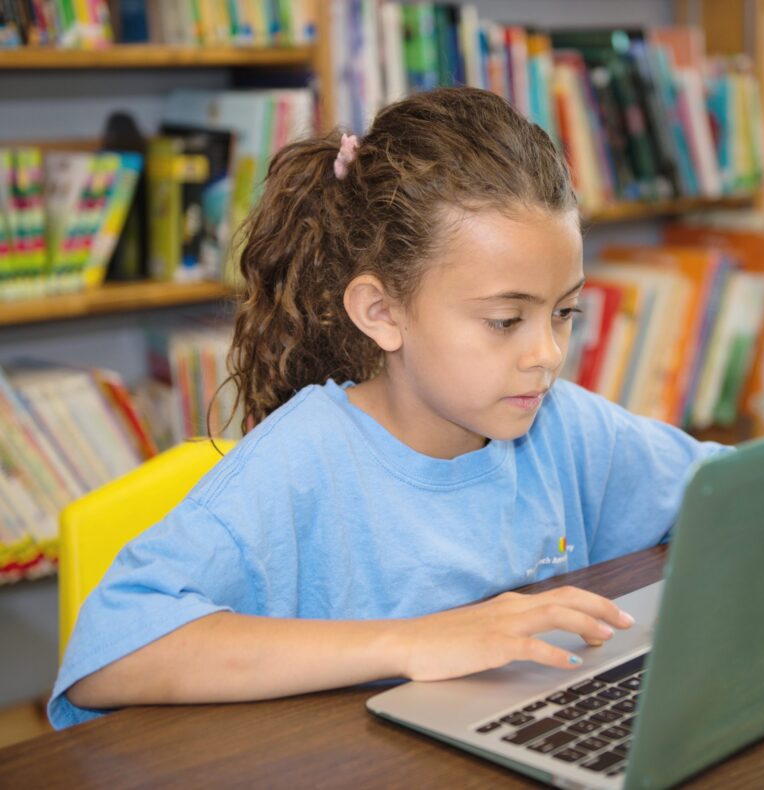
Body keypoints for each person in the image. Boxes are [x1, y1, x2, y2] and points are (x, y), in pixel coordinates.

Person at [49, 87, 729, 729]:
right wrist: (412, 642)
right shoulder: (304, 461)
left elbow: (742, 493)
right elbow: (107, 655)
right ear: (382, 312)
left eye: (564, 312)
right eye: (504, 321)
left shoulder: (567, 429)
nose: (547, 354)